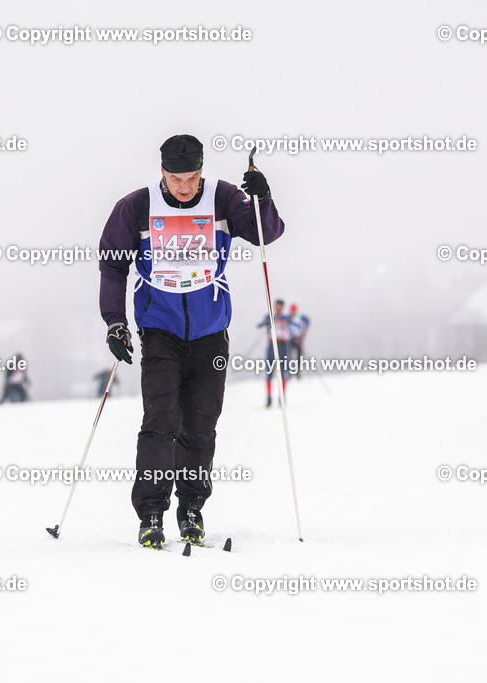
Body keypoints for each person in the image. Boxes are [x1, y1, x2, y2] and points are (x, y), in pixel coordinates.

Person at [98, 134, 285, 548]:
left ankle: (192, 508)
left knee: (201, 426)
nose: (185, 187)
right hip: (160, 327)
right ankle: (151, 511)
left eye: (193, 177)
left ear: (202, 170)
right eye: (176, 178)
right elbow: (113, 265)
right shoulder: (136, 206)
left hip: (210, 330)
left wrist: (263, 198)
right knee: (159, 422)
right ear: (161, 171)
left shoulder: (223, 198)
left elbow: (265, 234)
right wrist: (115, 322)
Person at [257, 299, 292, 408]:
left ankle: (282, 398)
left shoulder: (286, 318)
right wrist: (268, 320)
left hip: (283, 345)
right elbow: (259, 325)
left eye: (280, 306)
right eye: (277, 306)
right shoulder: (270, 316)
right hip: (272, 345)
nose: (278, 308)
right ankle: (268, 398)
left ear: (283, 307)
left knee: (283, 372)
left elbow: (296, 328)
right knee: (269, 371)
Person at [288, 303, 310, 379]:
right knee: (289, 355)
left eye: (294, 310)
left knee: (299, 355)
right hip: (290, 338)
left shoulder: (300, 316)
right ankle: (290, 371)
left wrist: (305, 329)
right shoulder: (288, 317)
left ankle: (298, 372)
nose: (293, 311)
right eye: (292, 310)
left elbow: (307, 321)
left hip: (299, 338)